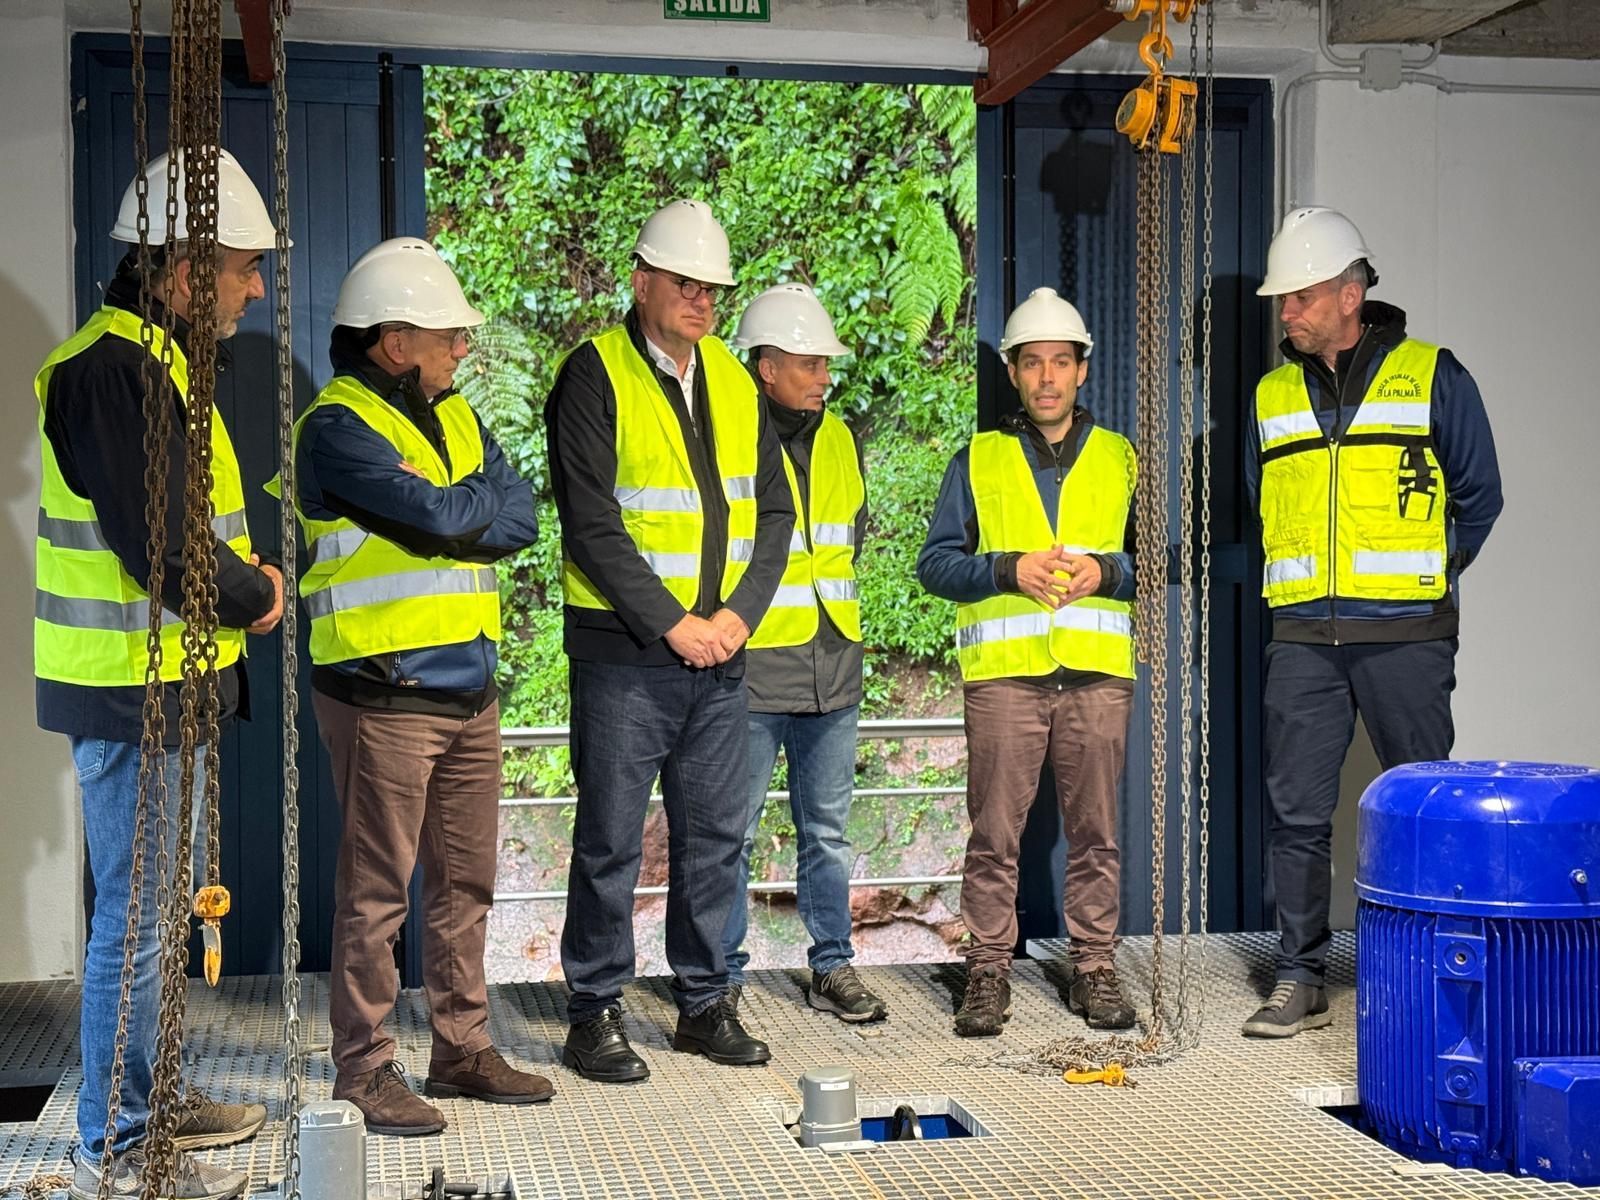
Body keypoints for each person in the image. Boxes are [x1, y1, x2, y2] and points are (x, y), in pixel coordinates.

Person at [36, 148, 284, 1200]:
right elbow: (165, 546)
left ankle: (152, 1100)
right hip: (128, 693)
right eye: (238, 268)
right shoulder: (112, 371)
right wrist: (257, 593)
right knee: (136, 929)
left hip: (164, 690)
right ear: (180, 270)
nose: (255, 287)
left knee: (154, 921)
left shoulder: (158, 364)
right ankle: (121, 1150)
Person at [292, 238, 547, 1132]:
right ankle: (363, 1069)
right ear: (396, 341)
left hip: (467, 690)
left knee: (466, 883)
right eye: (450, 336)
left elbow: (518, 512)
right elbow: (444, 516)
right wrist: (459, 509)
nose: (462, 350)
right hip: (382, 693)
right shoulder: (335, 427)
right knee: (377, 893)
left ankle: (462, 1049)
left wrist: (457, 509)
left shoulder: (463, 419)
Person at [545, 199, 794, 1082]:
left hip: (720, 656)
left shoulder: (730, 375)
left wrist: (737, 618)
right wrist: (673, 624)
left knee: (714, 837)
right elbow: (592, 524)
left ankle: (701, 1004)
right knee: (610, 837)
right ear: (641, 278)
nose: (700, 300)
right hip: (625, 660)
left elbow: (775, 510)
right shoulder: (593, 374)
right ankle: (594, 1012)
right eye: (684, 283)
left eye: (712, 289)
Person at [1242, 207, 1502, 1038]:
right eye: (1283, 300)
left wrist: (1428, 579)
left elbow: (1479, 495)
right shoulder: (1272, 395)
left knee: (1421, 803)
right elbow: (1262, 503)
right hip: (1304, 642)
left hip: (1407, 636)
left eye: (1301, 297)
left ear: (1351, 294)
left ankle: (1432, 971)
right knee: (1298, 813)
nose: (1286, 312)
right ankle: (1299, 973)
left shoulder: (1433, 375)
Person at [918, 287, 1138, 1038]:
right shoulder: (977, 460)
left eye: (1060, 362)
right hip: (1007, 678)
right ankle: (987, 972)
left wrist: (1106, 574)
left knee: (1097, 834)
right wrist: (1007, 569)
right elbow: (936, 566)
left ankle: (1096, 969)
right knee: (995, 836)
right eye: (1032, 363)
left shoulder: (1119, 459)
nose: (1047, 377)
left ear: (1082, 371)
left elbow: (1158, 564)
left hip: (1098, 675)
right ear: (1012, 372)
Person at [720, 284, 887, 1024]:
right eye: (812, 363)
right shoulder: (726, 437)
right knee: (734, 832)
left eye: (824, 363)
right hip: (754, 671)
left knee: (828, 832)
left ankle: (833, 965)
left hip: (834, 667)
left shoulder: (841, 436)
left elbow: (846, 534)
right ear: (766, 367)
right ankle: (719, 975)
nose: (825, 376)